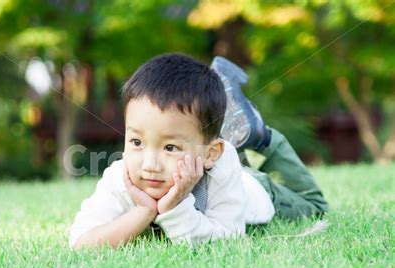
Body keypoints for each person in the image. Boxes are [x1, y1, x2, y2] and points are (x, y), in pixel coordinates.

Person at [68, 53, 329, 249]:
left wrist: (174, 208)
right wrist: (144, 212)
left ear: (211, 153)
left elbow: (227, 238)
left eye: (170, 147)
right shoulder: (121, 177)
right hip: (214, 158)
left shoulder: (221, 171)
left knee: (316, 206)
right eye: (137, 142)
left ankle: (263, 137)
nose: (149, 164)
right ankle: (225, 128)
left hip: (254, 190)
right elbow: (81, 242)